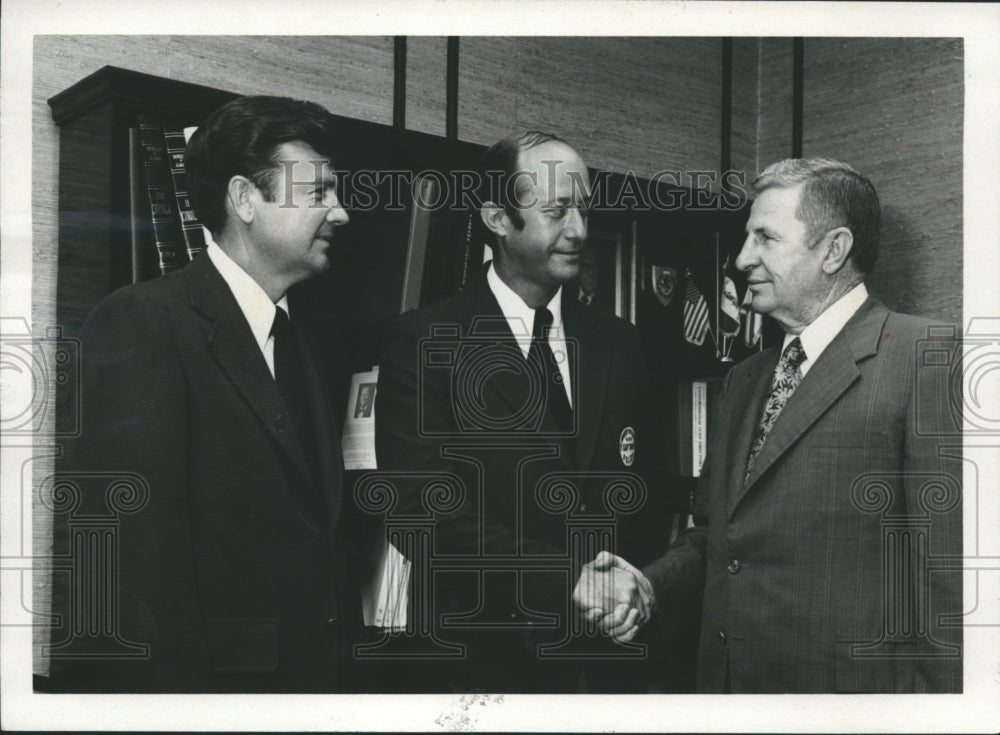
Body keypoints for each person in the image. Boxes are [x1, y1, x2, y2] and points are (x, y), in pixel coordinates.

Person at [584, 158, 963, 693]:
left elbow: (954, 581)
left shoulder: (930, 356)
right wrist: (649, 585)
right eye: (746, 237)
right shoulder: (744, 378)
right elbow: (717, 536)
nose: (741, 259)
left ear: (833, 250)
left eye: (765, 237)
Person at [48, 95, 360, 692]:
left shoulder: (305, 342)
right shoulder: (141, 320)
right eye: (318, 192)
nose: (341, 213)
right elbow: (120, 568)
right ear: (245, 199)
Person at [374, 131, 669, 692]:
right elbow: (419, 513)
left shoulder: (620, 344)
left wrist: (632, 591)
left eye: (584, 208)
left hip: (611, 666)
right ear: (497, 217)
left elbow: (649, 494)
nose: (580, 230)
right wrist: (568, 580)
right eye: (557, 211)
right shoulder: (425, 340)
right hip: (484, 669)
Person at [577, 242, 601, 307]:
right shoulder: (566, 296)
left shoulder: (607, 302)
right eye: (586, 267)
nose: (591, 273)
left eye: (594, 267)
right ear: (579, 269)